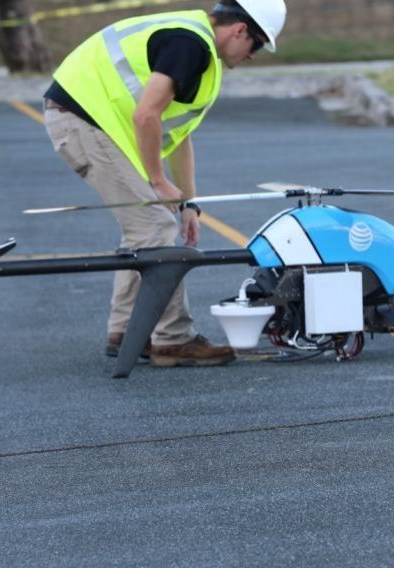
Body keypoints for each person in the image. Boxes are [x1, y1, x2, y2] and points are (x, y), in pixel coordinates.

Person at [42, 0, 286, 367]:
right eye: (257, 45)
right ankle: (172, 339)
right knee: (154, 226)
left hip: (89, 121)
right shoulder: (191, 44)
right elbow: (146, 115)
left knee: (143, 231)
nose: (253, 55)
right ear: (239, 30)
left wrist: (189, 203)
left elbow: (179, 135)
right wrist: (157, 182)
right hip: (83, 121)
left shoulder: (197, 47)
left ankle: (126, 331)